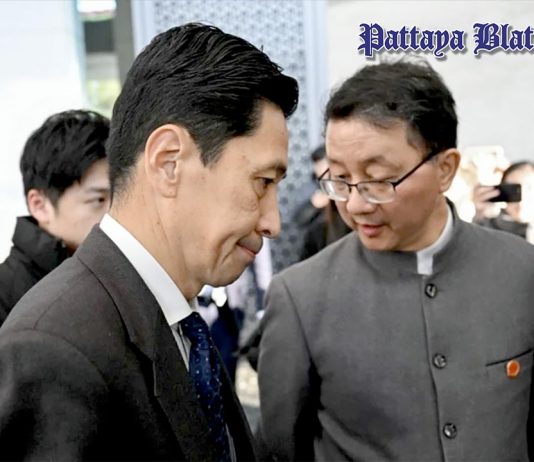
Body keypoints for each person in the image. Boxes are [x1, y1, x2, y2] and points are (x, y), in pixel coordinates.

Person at [0, 23, 298, 461]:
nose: (273, 222)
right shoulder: (52, 351)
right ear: (168, 162)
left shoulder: (178, 319)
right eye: (262, 181)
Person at [257, 61, 534, 461]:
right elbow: (280, 449)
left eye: (378, 180)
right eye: (340, 179)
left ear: (445, 169)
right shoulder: (300, 297)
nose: (355, 205)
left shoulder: (522, 271)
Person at [0, 110, 110, 325]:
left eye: (122, 197)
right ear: (39, 206)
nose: (115, 213)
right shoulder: (6, 298)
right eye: (98, 200)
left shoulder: (112, 275)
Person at [473, 160, 534, 242]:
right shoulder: (490, 226)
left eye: (529, 188)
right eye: (514, 190)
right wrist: (479, 216)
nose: (522, 198)